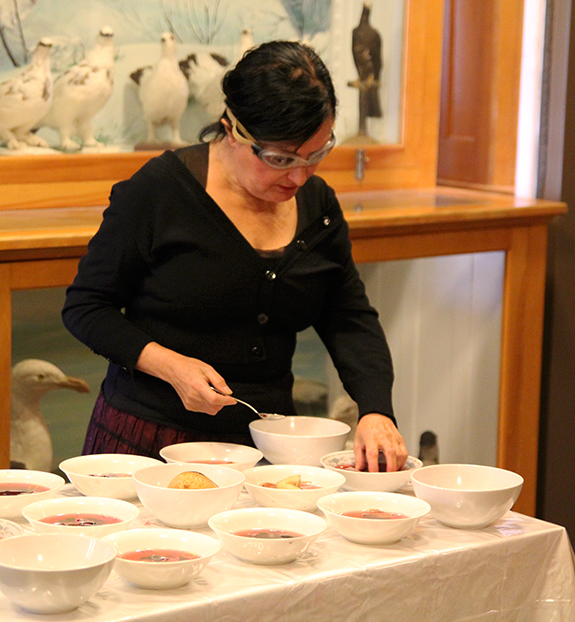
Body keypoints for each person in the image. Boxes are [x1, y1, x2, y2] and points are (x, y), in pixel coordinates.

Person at [62, 40, 408, 472]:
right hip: (147, 442)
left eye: (317, 154)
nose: (299, 175)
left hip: (267, 447)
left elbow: (348, 315)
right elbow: (86, 307)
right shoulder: (160, 191)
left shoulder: (317, 205)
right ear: (232, 129)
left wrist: (376, 409)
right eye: (280, 158)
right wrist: (169, 366)